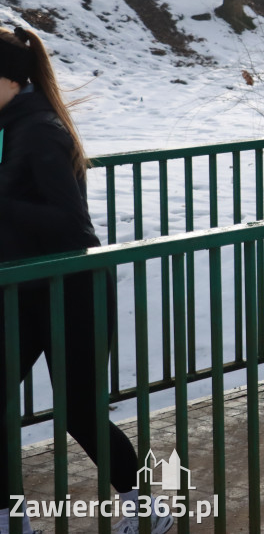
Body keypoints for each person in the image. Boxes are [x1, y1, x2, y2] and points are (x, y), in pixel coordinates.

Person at [0, 27, 173, 534]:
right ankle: (10, 517)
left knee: (79, 410)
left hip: (70, 288)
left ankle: (145, 506)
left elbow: (70, 223)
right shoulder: (8, 125)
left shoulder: (41, 130)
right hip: (21, 287)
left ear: (7, 78)